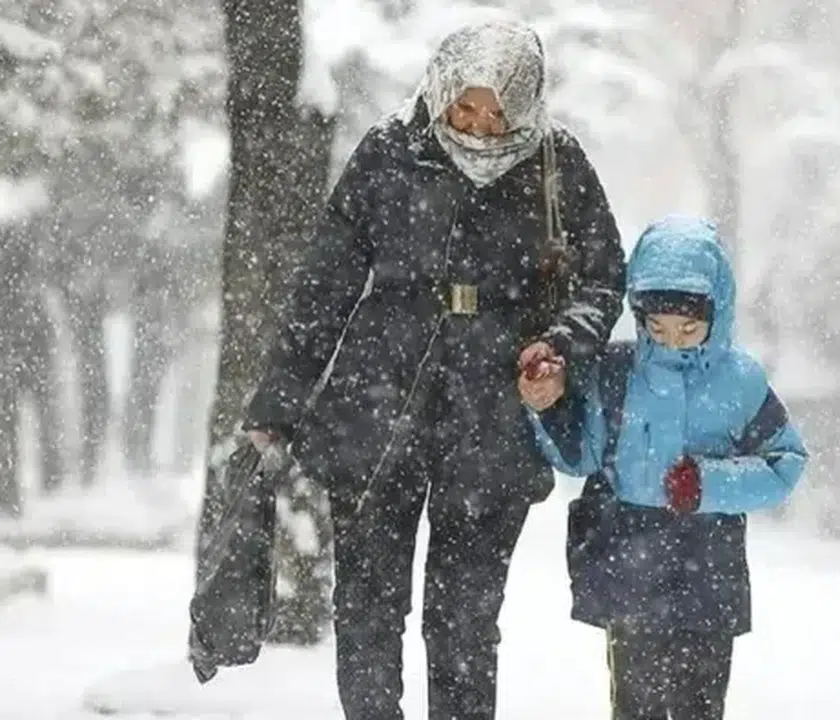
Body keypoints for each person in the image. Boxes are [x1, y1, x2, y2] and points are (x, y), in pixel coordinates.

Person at [243, 18, 626, 720]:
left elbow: (603, 277)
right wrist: (278, 402)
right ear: (442, 88)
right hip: (378, 401)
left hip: (494, 417)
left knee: (465, 621)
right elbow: (325, 284)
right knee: (367, 608)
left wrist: (561, 348)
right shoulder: (391, 150)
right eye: (465, 107)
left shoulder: (556, 162)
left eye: (498, 112)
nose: (479, 129)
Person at [520, 215, 808, 720]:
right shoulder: (615, 373)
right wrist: (545, 408)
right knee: (635, 706)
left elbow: (785, 463)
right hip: (631, 564)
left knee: (701, 705)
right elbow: (581, 457)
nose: (672, 339)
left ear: (717, 310)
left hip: (708, 567)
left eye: (689, 328)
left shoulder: (739, 381)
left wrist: (709, 484)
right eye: (657, 327)